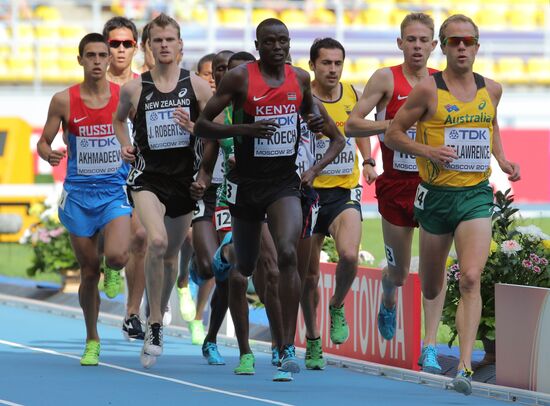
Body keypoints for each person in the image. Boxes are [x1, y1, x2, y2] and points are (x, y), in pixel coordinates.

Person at [195, 18, 344, 381]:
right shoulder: (240, 78)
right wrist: (242, 129)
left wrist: (313, 147)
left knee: (287, 254)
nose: (278, 47)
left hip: (283, 183)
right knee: (243, 268)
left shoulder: (299, 80)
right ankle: (226, 257)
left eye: (284, 41)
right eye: (271, 41)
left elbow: (330, 132)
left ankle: (286, 346)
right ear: (258, 45)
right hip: (246, 184)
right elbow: (202, 125)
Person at [385, 14, 520, 395]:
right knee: (431, 284)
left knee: (471, 277)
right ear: (443, 47)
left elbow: (489, 126)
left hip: (475, 195)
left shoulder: (491, 89)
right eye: (454, 41)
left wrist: (503, 159)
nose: (462, 47)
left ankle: (463, 366)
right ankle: (430, 341)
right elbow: (394, 133)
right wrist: (428, 150)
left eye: (468, 41)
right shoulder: (428, 90)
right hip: (435, 196)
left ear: (477, 46)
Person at [345, 12, 446, 374]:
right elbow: (352, 122)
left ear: (435, 46)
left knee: (435, 273)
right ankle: (389, 298)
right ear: (400, 43)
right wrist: (393, 124)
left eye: (424, 41)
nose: (417, 46)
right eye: (411, 40)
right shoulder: (386, 78)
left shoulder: (444, 82)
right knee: (400, 273)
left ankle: (429, 347)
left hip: (435, 185)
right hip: (397, 186)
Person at [113, 13, 215, 368]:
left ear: (181, 44)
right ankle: (155, 322)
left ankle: (158, 306)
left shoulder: (199, 88)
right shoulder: (135, 88)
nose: (165, 45)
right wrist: (126, 143)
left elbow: (213, 135)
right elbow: (118, 119)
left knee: (170, 256)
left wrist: (198, 138)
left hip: (183, 183)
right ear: (148, 47)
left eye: (170, 39)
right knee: (155, 241)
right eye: (158, 41)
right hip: (147, 179)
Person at [37, 33, 132, 366]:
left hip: (113, 191)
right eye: (89, 55)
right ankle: (92, 338)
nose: (96, 61)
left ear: (109, 60)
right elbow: (44, 142)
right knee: (89, 271)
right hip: (78, 195)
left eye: (101, 55)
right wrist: (49, 153)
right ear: (80, 60)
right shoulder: (63, 100)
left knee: (118, 254)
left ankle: (115, 266)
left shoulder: (125, 96)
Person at [299, 37, 376, 370]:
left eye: (337, 63)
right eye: (326, 63)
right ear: (313, 65)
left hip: (343, 193)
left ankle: (337, 303)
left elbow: (358, 129)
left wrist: (369, 159)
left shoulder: (352, 93)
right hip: (308, 193)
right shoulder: (303, 100)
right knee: (308, 276)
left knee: (348, 255)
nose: (332, 69)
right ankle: (314, 340)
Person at [102, 16, 148, 342]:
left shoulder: (146, 84)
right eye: (113, 43)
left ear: (136, 47)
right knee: (117, 252)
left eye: (126, 44)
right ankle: (112, 262)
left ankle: (132, 313)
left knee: (142, 237)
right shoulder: (92, 85)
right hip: (101, 177)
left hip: (138, 171)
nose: (120, 50)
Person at [103, 17, 139, 86]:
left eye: (127, 43)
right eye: (114, 43)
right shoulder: (94, 86)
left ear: (135, 49)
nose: (121, 49)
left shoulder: (146, 87)